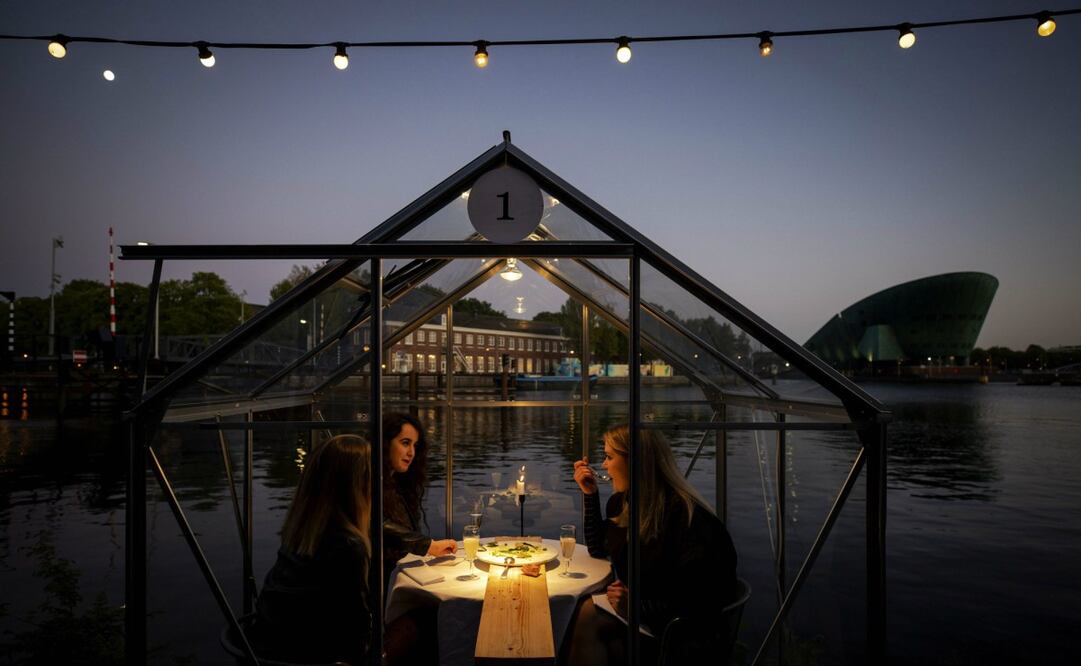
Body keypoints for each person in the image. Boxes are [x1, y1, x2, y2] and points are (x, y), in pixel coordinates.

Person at [563, 424, 738, 666]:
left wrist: (637, 608)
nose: (603, 465)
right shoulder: (623, 504)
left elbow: (700, 603)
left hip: (678, 635)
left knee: (584, 622)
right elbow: (599, 548)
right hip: (641, 616)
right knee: (580, 614)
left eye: (609, 457)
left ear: (636, 462)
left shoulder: (689, 522)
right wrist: (590, 495)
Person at [249, 434, 374, 665]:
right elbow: (356, 634)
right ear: (358, 485)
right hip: (314, 658)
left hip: (265, 653)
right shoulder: (348, 546)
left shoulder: (299, 534)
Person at [382, 412, 455, 665]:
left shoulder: (398, 485)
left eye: (415, 445)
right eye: (405, 443)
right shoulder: (370, 483)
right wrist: (428, 546)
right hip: (381, 588)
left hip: (394, 578)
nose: (411, 452)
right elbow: (378, 526)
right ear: (384, 442)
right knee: (439, 614)